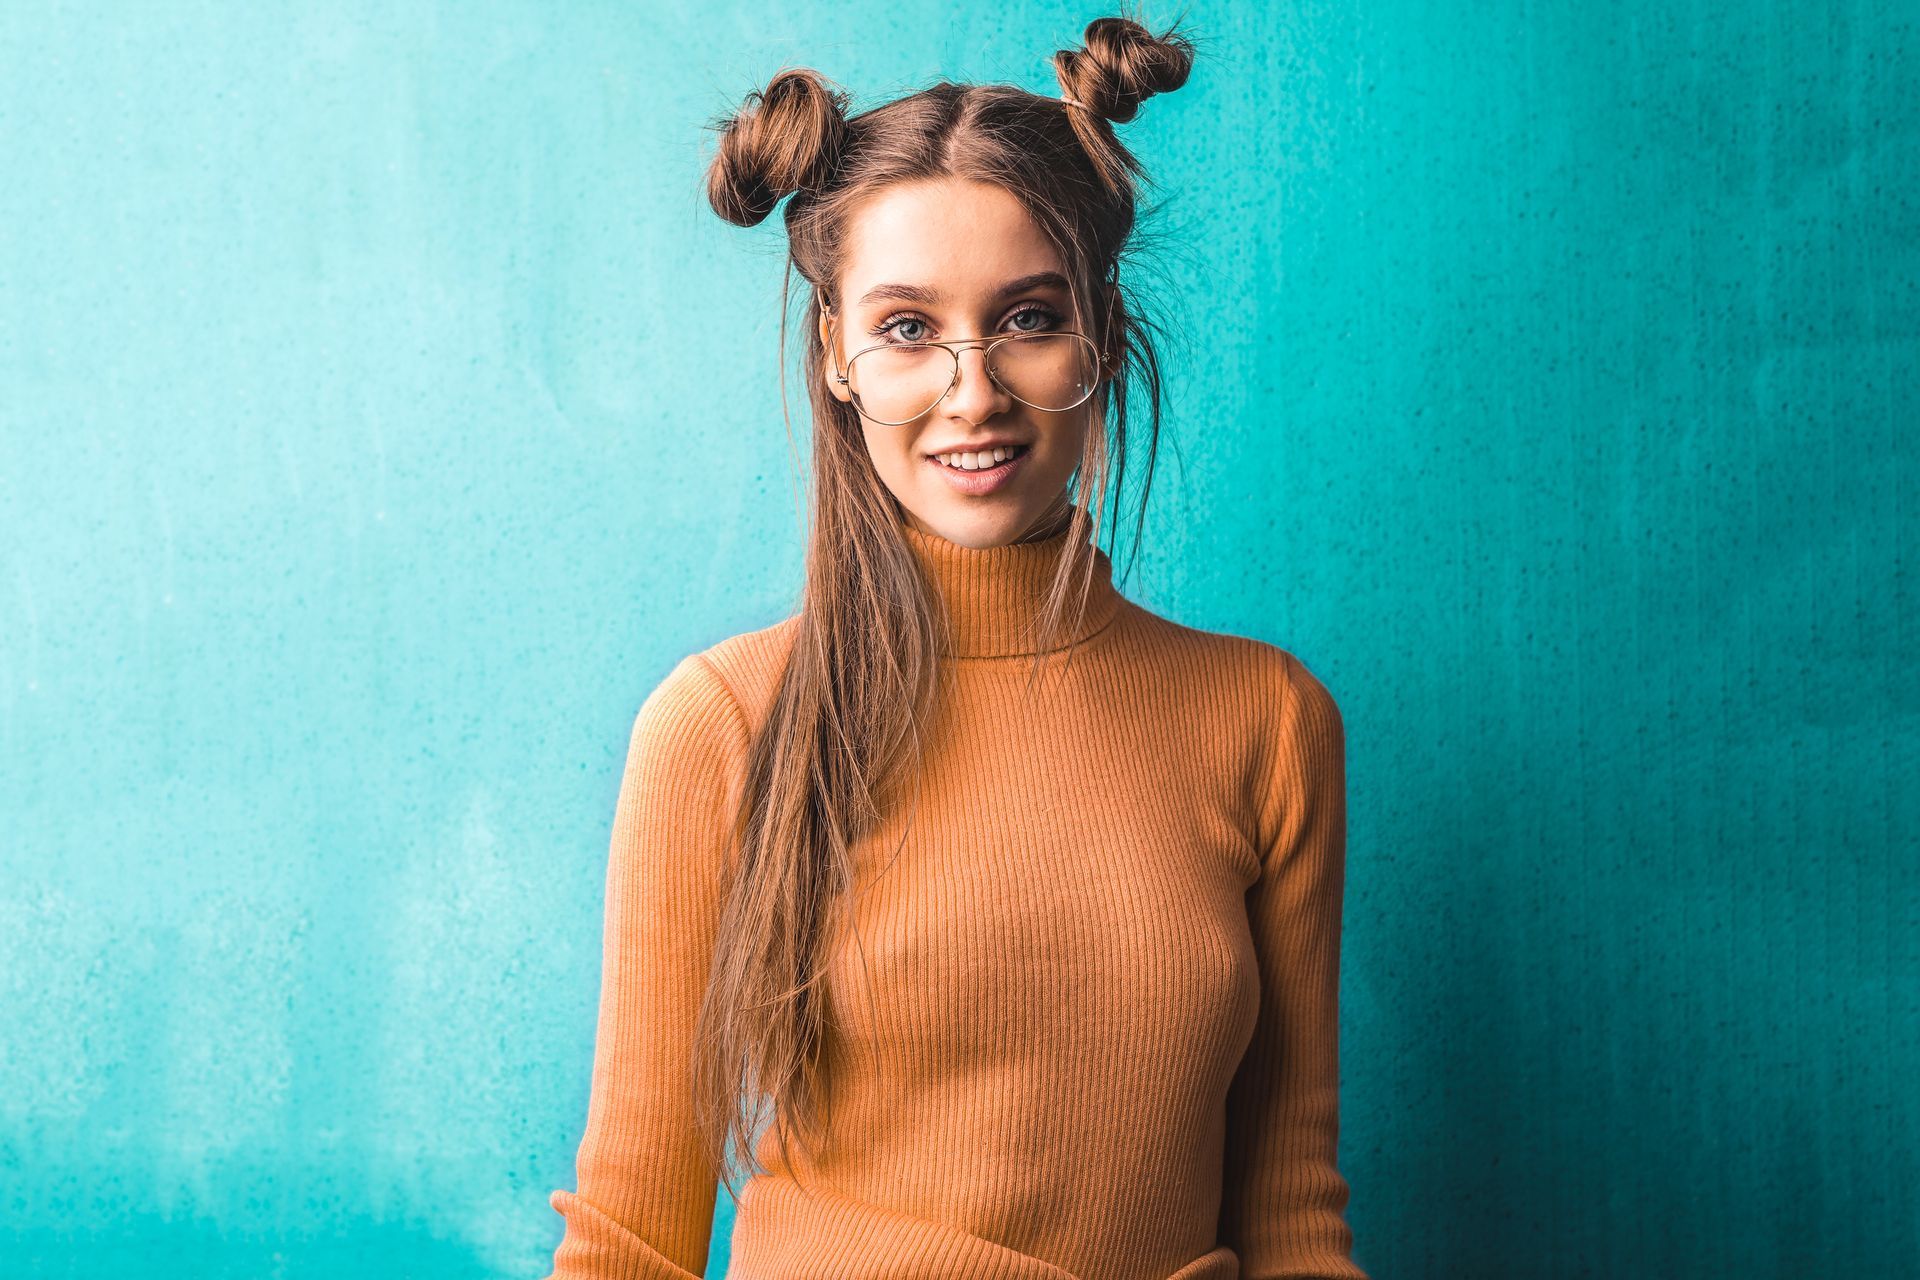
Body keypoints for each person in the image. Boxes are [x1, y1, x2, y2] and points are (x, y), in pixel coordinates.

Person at [543, 12, 1369, 1280]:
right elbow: (628, 1241)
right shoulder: (722, 723)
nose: (972, 390)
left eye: (1027, 316)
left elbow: (1291, 1216)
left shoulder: (1264, 720)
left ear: (1096, 330)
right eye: (910, 328)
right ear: (837, 355)